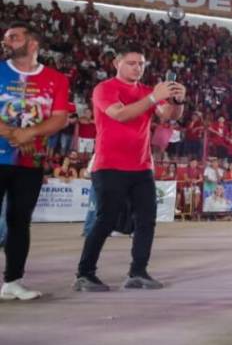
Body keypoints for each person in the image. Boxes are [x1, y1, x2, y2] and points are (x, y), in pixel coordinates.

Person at [74, 46, 186, 292]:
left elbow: (169, 115)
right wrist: (154, 98)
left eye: (141, 64)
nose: (137, 67)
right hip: (109, 165)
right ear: (117, 63)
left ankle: (138, 272)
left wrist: (178, 100)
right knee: (105, 220)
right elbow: (120, 115)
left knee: (146, 220)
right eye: (132, 62)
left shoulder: (147, 91)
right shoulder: (105, 89)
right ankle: (84, 274)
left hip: (142, 166)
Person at [0, 22, 71, 301]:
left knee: (20, 221)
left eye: (14, 37)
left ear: (32, 44)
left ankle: (13, 281)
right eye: (6, 38)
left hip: (30, 161)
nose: (7, 42)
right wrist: (16, 133)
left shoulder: (56, 79)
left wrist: (31, 132)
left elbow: (59, 117)